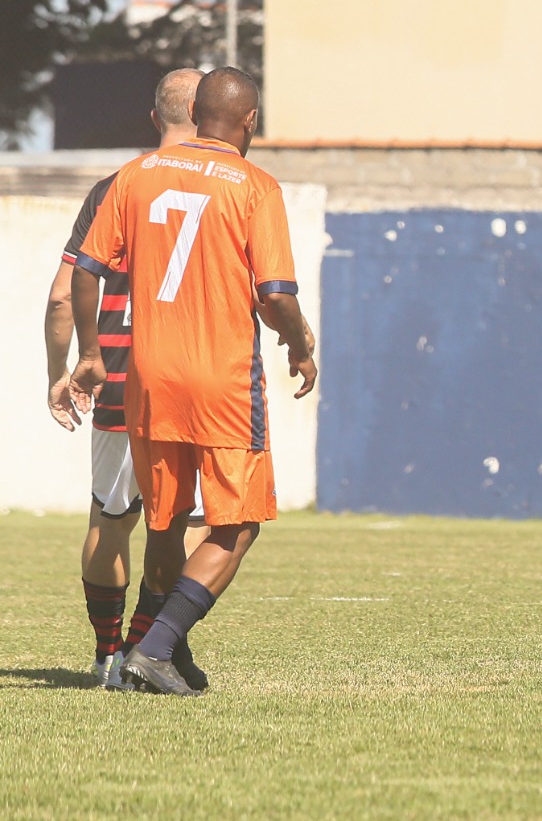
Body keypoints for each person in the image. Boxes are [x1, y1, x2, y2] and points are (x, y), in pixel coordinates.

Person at [68, 66, 317, 695]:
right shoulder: (255, 186)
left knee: (165, 522)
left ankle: (166, 652)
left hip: (149, 376)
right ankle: (152, 647)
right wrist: (300, 339)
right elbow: (275, 293)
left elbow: (86, 268)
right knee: (237, 523)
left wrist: (93, 353)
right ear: (249, 120)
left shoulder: (136, 176)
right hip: (222, 379)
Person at [44, 68, 211, 690]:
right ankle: (151, 646)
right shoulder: (230, 186)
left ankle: (109, 656)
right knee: (186, 524)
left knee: (110, 519)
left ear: (154, 118)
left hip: (115, 370)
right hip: (193, 371)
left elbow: (63, 297)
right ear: (213, 114)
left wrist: (60, 371)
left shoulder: (116, 186)